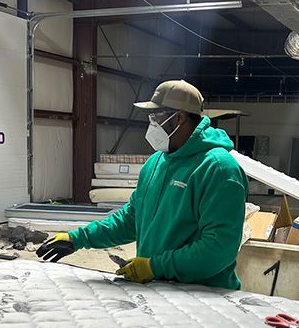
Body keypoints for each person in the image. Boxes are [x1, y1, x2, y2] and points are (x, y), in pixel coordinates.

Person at [37, 80, 248, 290]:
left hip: (205, 295)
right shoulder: (156, 162)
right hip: (158, 288)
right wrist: (77, 238)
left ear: (179, 118)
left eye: (156, 117)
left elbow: (219, 248)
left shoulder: (218, 169)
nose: (151, 123)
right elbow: (131, 220)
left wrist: (154, 267)